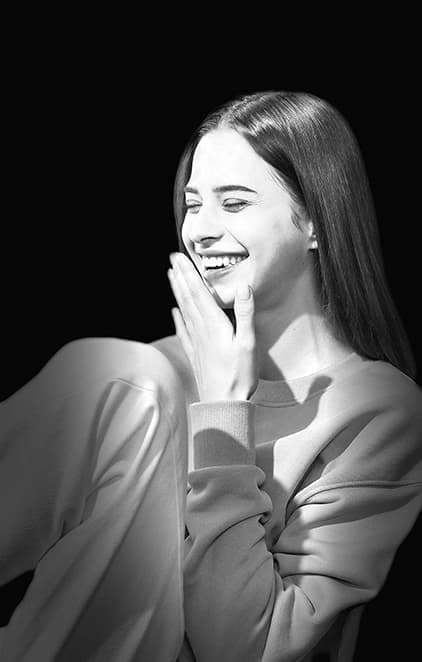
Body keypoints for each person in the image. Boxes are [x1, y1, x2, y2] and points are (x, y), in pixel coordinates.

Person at [0, 90, 421, 662]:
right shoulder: (157, 374)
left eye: (235, 202)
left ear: (317, 221)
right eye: (193, 204)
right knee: (121, 373)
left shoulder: (378, 408)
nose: (200, 229)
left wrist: (223, 416)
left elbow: (245, 650)